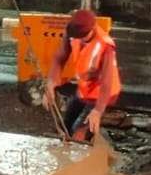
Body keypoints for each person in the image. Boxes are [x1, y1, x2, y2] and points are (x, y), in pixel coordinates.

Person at [44, 9, 121, 142]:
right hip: (84, 91)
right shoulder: (72, 32)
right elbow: (60, 57)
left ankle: (87, 152)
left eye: (81, 37)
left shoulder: (105, 46)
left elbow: (106, 81)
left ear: (90, 31)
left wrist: (98, 111)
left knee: (79, 135)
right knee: (64, 126)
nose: (77, 39)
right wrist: (51, 82)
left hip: (103, 94)